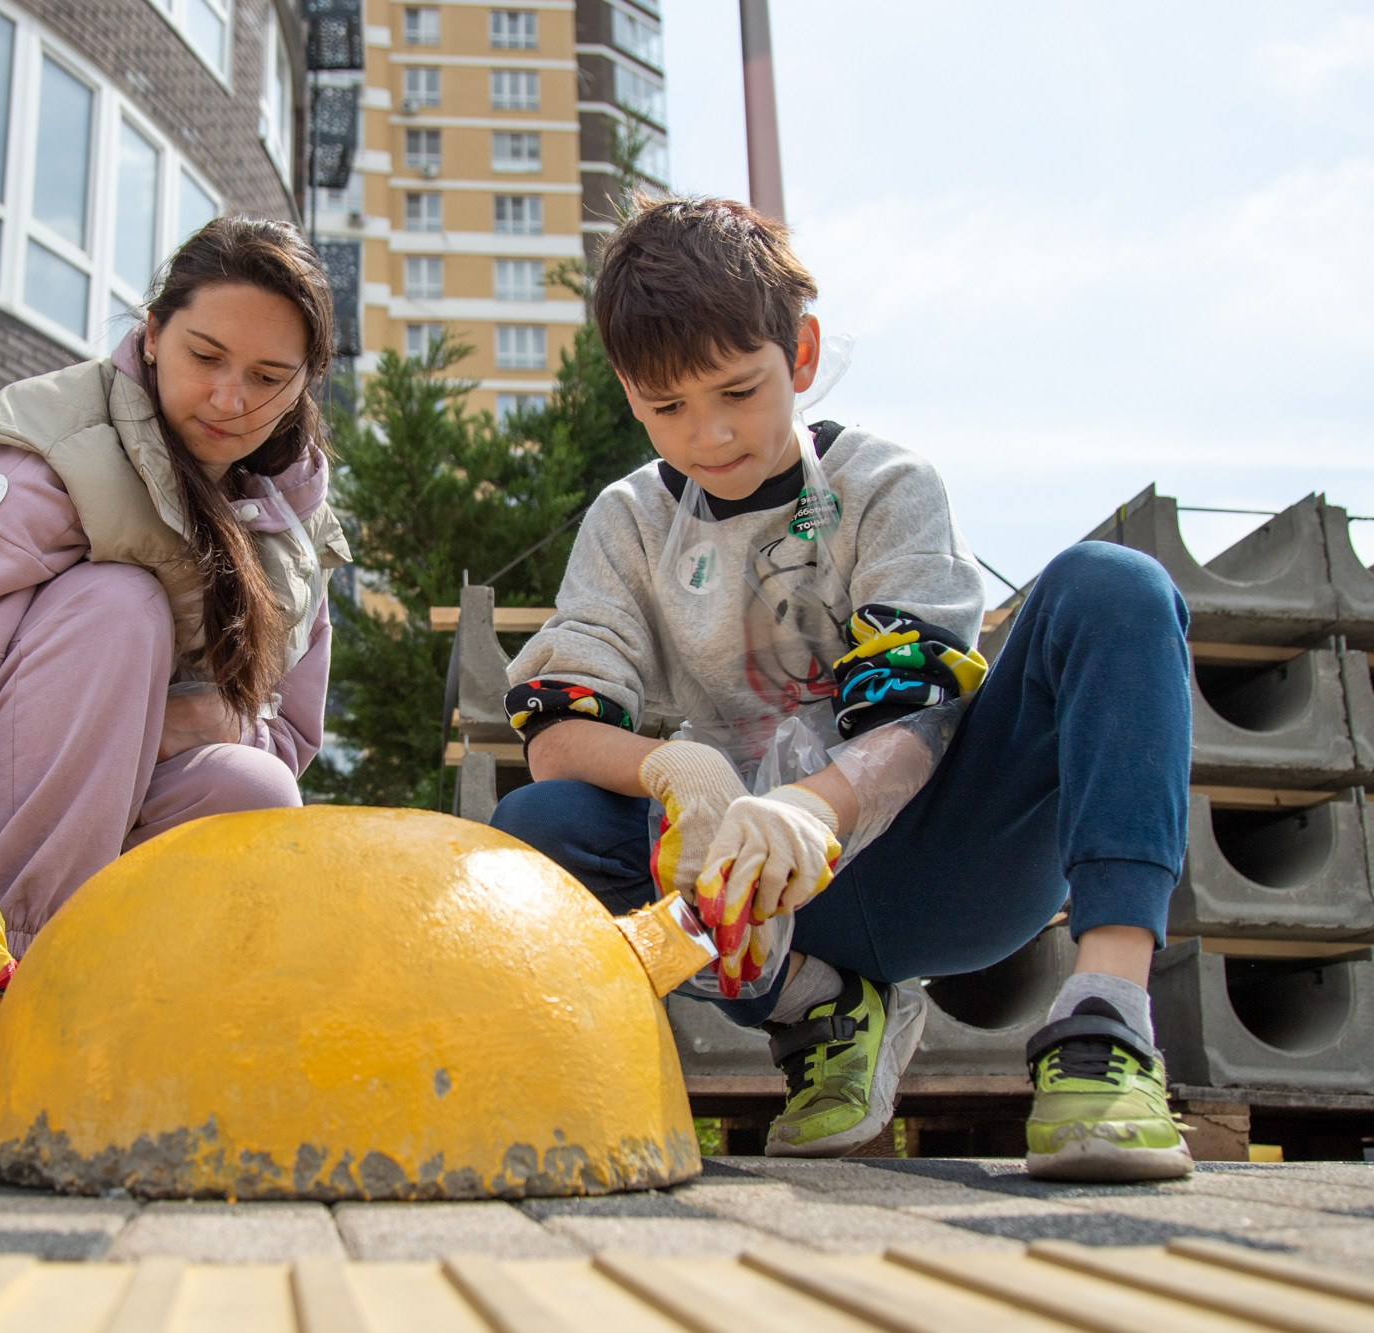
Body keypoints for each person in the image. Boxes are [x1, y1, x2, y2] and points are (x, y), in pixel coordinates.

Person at [491, 195, 1194, 1182]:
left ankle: (1107, 1021)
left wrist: (812, 806)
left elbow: (917, 710)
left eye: (739, 390)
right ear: (626, 391)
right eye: (666, 407)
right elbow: (558, 734)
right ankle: (817, 1008)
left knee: (1112, 586)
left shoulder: (885, 484)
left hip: (940, 863)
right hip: (760, 899)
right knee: (537, 827)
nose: (710, 435)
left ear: (803, 354)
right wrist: (676, 765)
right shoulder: (628, 521)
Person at [0, 218, 348, 1131]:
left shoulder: (297, 532)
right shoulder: (43, 447)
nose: (228, 396)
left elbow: (282, 738)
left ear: (300, 388)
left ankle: (113, 1046)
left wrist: (168, 727)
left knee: (256, 789)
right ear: (154, 332)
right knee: (116, 607)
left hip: (85, 837)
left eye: (267, 378)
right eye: (205, 354)